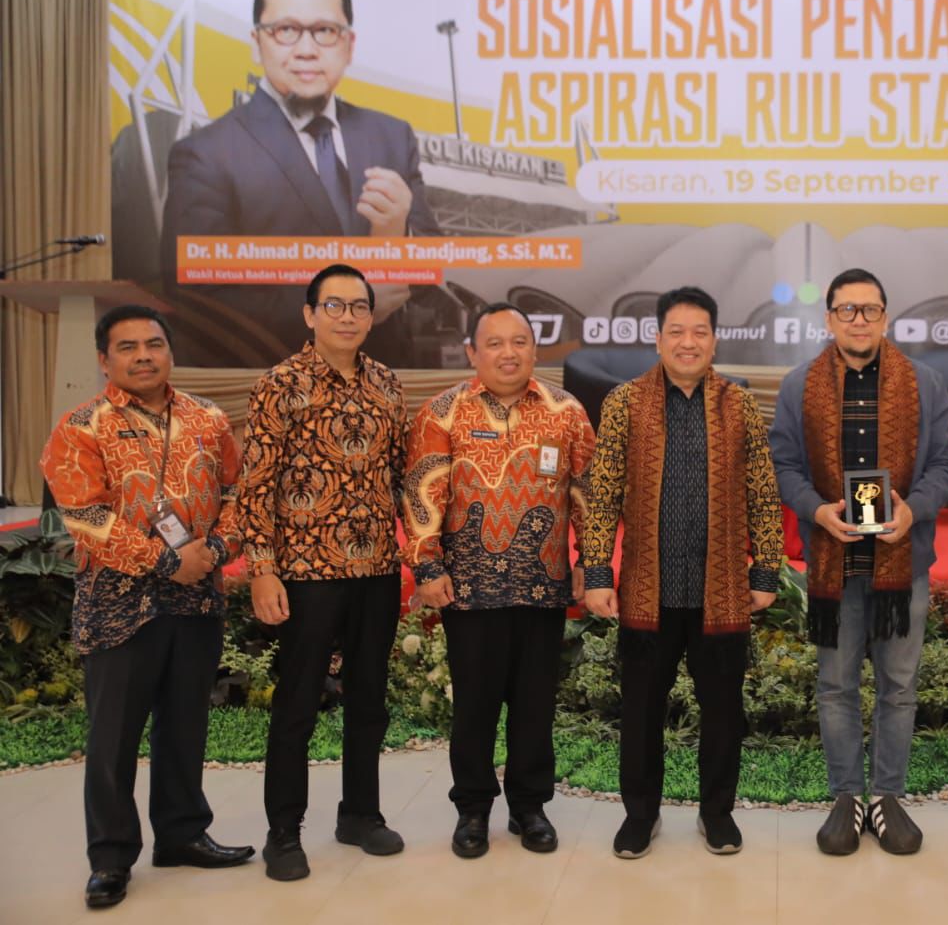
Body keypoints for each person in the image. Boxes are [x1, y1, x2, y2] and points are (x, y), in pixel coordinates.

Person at [40, 305, 254, 909]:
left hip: (196, 596)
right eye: (127, 347)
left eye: (153, 344)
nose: (143, 356)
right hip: (118, 602)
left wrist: (216, 549)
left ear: (170, 352)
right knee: (114, 736)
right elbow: (86, 515)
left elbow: (238, 494)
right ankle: (110, 858)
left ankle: (182, 835)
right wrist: (166, 560)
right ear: (104, 359)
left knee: (185, 724)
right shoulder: (81, 426)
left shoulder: (209, 419)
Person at [579, 286, 787, 859]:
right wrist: (596, 572)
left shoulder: (739, 404)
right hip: (648, 590)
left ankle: (717, 814)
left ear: (715, 341)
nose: (688, 342)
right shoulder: (625, 402)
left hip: (721, 590)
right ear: (658, 339)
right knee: (642, 712)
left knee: (723, 713)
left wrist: (766, 572)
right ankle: (640, 815)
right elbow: (602, 494)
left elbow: (763, 492)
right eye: (676, 331)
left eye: (699, 332)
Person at [160, 0, 439, 366]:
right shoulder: (207, 152)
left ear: (349, 45)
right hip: (272, 380)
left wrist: (399, 234)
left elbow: (432, 273)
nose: (306, 50)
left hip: (384, 377)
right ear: (257, 42)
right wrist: (344, 310)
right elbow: (195, 292)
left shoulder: (390, 135)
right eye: (286, 30)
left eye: (325, 31)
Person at [769, 268, 948, 855]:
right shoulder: (799, 386)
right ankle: (847, 796)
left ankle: (888, 796)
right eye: (847, 310)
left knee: (899, 687)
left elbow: (946, 466)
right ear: (829, 318)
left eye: (870, 309)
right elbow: (784, 467)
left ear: (885, 317)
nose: (859, 320)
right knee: (835, 686)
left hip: (903, 562)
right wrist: (817, 511)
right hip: (835, 562)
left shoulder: (924, 384)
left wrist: (914, 510)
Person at [401, 302, 595, 858]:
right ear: (472, 352)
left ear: (534, 349)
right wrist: (428, 567)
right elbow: (422, 492)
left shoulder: (566, 412)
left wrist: (591, 561)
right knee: (475, 707)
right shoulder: (443, 413)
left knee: (535, 705)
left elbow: (587, 495)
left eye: (519, 342)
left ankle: (530, 807)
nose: (508, 353)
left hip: (544, 586)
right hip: (468, 592)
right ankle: (473, 809)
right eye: (494, 343)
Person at [239, 263, 411, 881]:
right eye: (333, 305)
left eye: (359, 306)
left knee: (369, 701)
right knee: (298, 704)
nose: (347, 317)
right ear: (309, 314)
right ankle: (283, 833)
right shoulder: (279, 384)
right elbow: (255, 484)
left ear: (371, 316)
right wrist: (262, 570)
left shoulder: (387, 383)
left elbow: (401, 478)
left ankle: (360, 814)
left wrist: (424, 553)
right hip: (307, 570)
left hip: (377, 569)